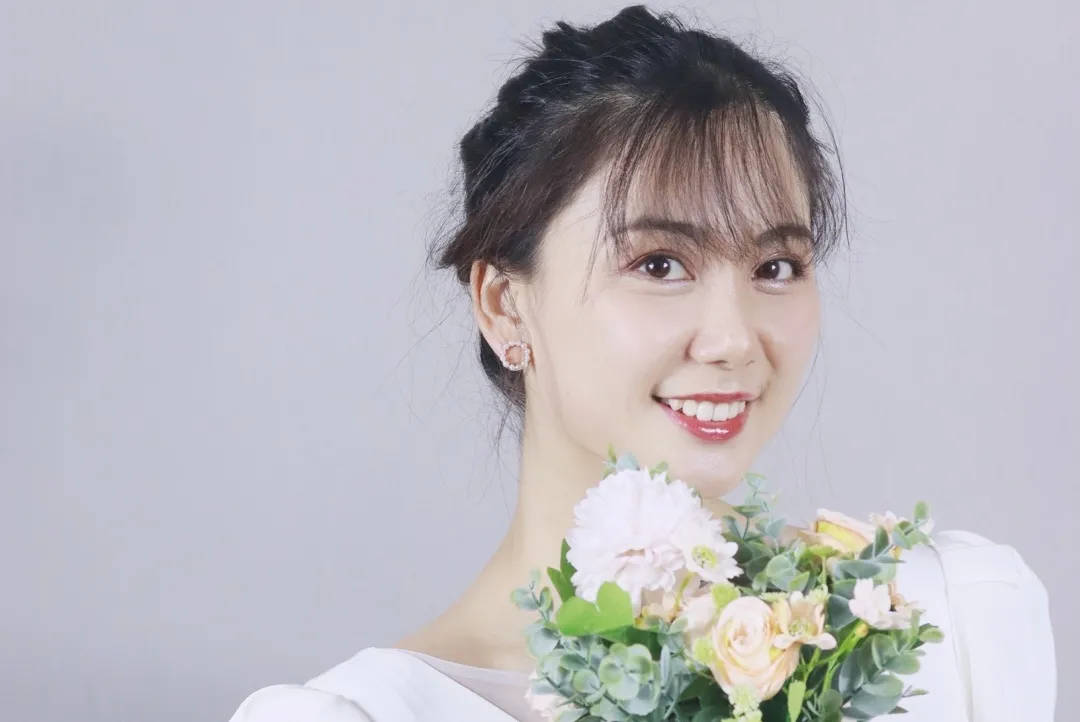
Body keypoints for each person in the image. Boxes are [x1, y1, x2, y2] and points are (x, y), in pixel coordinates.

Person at [228, 5, 1056, 721]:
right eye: (660, 264)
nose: (733, 339)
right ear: (504, 305)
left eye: (775, 267)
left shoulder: (946, 631)